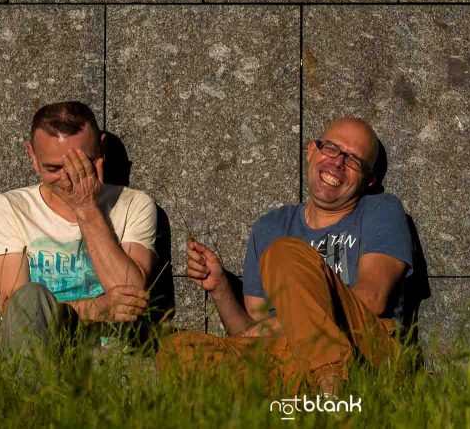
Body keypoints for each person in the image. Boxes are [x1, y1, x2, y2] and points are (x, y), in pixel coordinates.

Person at [157, 117, 412, 393]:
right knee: (178, 350)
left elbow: (373, 299)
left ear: (369, 180)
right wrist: (220, 288)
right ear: (311, 151)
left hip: (362, 347)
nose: (337, 162)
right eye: (331, 148)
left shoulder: (380, 210)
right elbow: (252, 334)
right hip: (286, 356)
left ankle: (333, 392)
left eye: (353, 160)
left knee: (285, 253)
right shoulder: (271, 226)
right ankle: (301, 398)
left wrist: (291, 322)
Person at [0, 101, 159, 352]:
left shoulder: (134, 205)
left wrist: (86, 209)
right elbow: (20, 314)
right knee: (32, 296)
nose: (68, 178)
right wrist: (99, 308)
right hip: (38, 355)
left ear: (101, 150)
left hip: (111, 360)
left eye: (81, 164)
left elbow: (132, 299)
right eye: (53, 168)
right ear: (32, 156)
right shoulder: (10, 208)